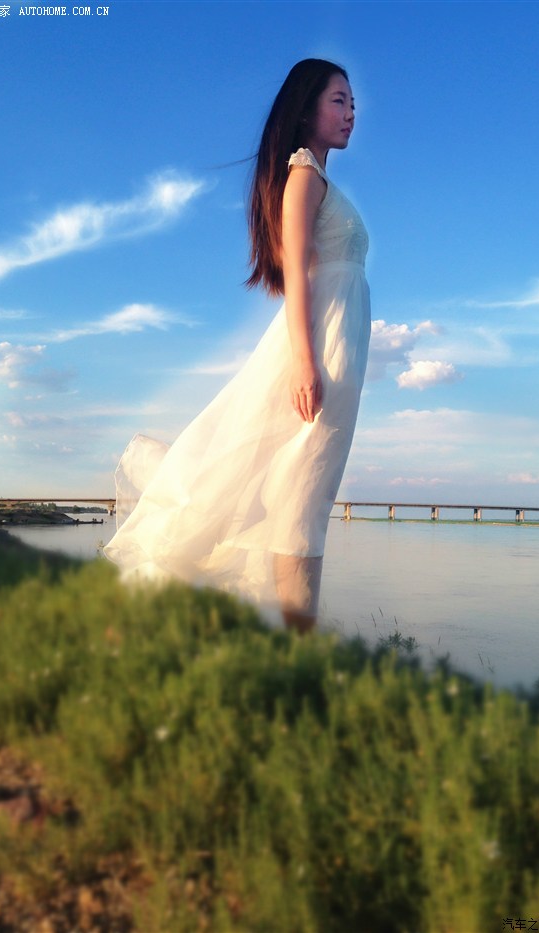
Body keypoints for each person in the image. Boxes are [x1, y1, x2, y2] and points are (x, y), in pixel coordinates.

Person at [104, 59, 370, 633]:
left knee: (302, 498)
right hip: (316, 356)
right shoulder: (304, 175)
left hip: (335, 354)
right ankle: (299, 649)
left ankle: (291, 642)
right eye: (338, 101)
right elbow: (296, 275)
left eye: (353, 103)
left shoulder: (320, 180)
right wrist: (305, 364)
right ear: (306, 110)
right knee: (301, 504)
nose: (351, 113)